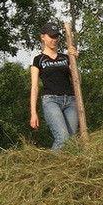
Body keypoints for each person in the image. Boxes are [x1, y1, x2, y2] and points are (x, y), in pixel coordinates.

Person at [30, 21, 79, 151]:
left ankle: (66, 169)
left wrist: (74, 60)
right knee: (62, 138)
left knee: (72, 141)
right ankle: (51, 168)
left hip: (71, 101)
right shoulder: (38, 60)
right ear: (43, 37)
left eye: (56, 36)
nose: (54, 39)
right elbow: (34, 87)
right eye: (51, 36)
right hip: (51, 101)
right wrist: (33, 113)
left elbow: (78, 80)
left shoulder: (65, 58)